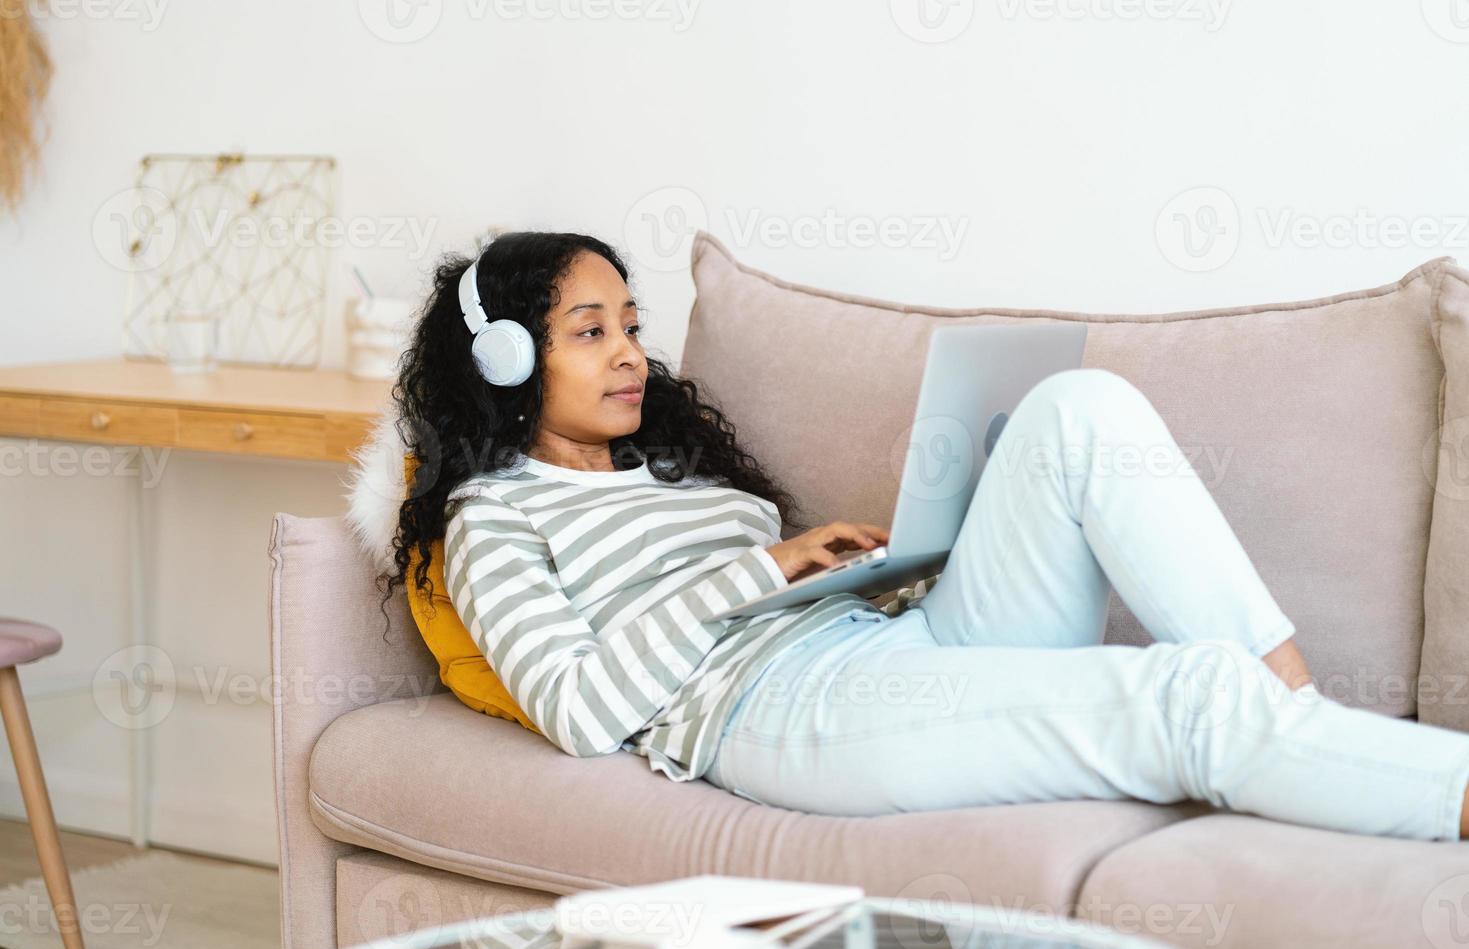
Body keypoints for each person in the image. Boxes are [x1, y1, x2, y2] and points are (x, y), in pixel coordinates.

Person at [379, 229, 1469, 843]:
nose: (626, 353)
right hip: (782, 710)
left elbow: (753, 580)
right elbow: (576, 709)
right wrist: (756, 571)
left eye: (629, 325)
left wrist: (880, 560)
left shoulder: (668, 465)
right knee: (1180, 690)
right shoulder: (491, 519)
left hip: (885, 634)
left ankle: (1305, 718)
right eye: (588, 332)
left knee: (1074, 411)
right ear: (508, 359)